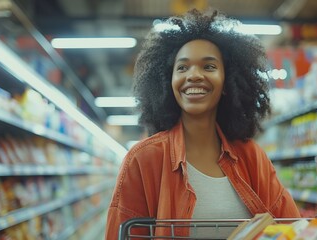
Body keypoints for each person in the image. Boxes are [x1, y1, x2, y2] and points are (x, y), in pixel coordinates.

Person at [105, 8, 300, 239]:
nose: (194, 75)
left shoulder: (252, 157)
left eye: (209, 66)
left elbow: (293, 228)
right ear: (168, 82)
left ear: (228, 82)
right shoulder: (143, 159)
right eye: (182, 67)